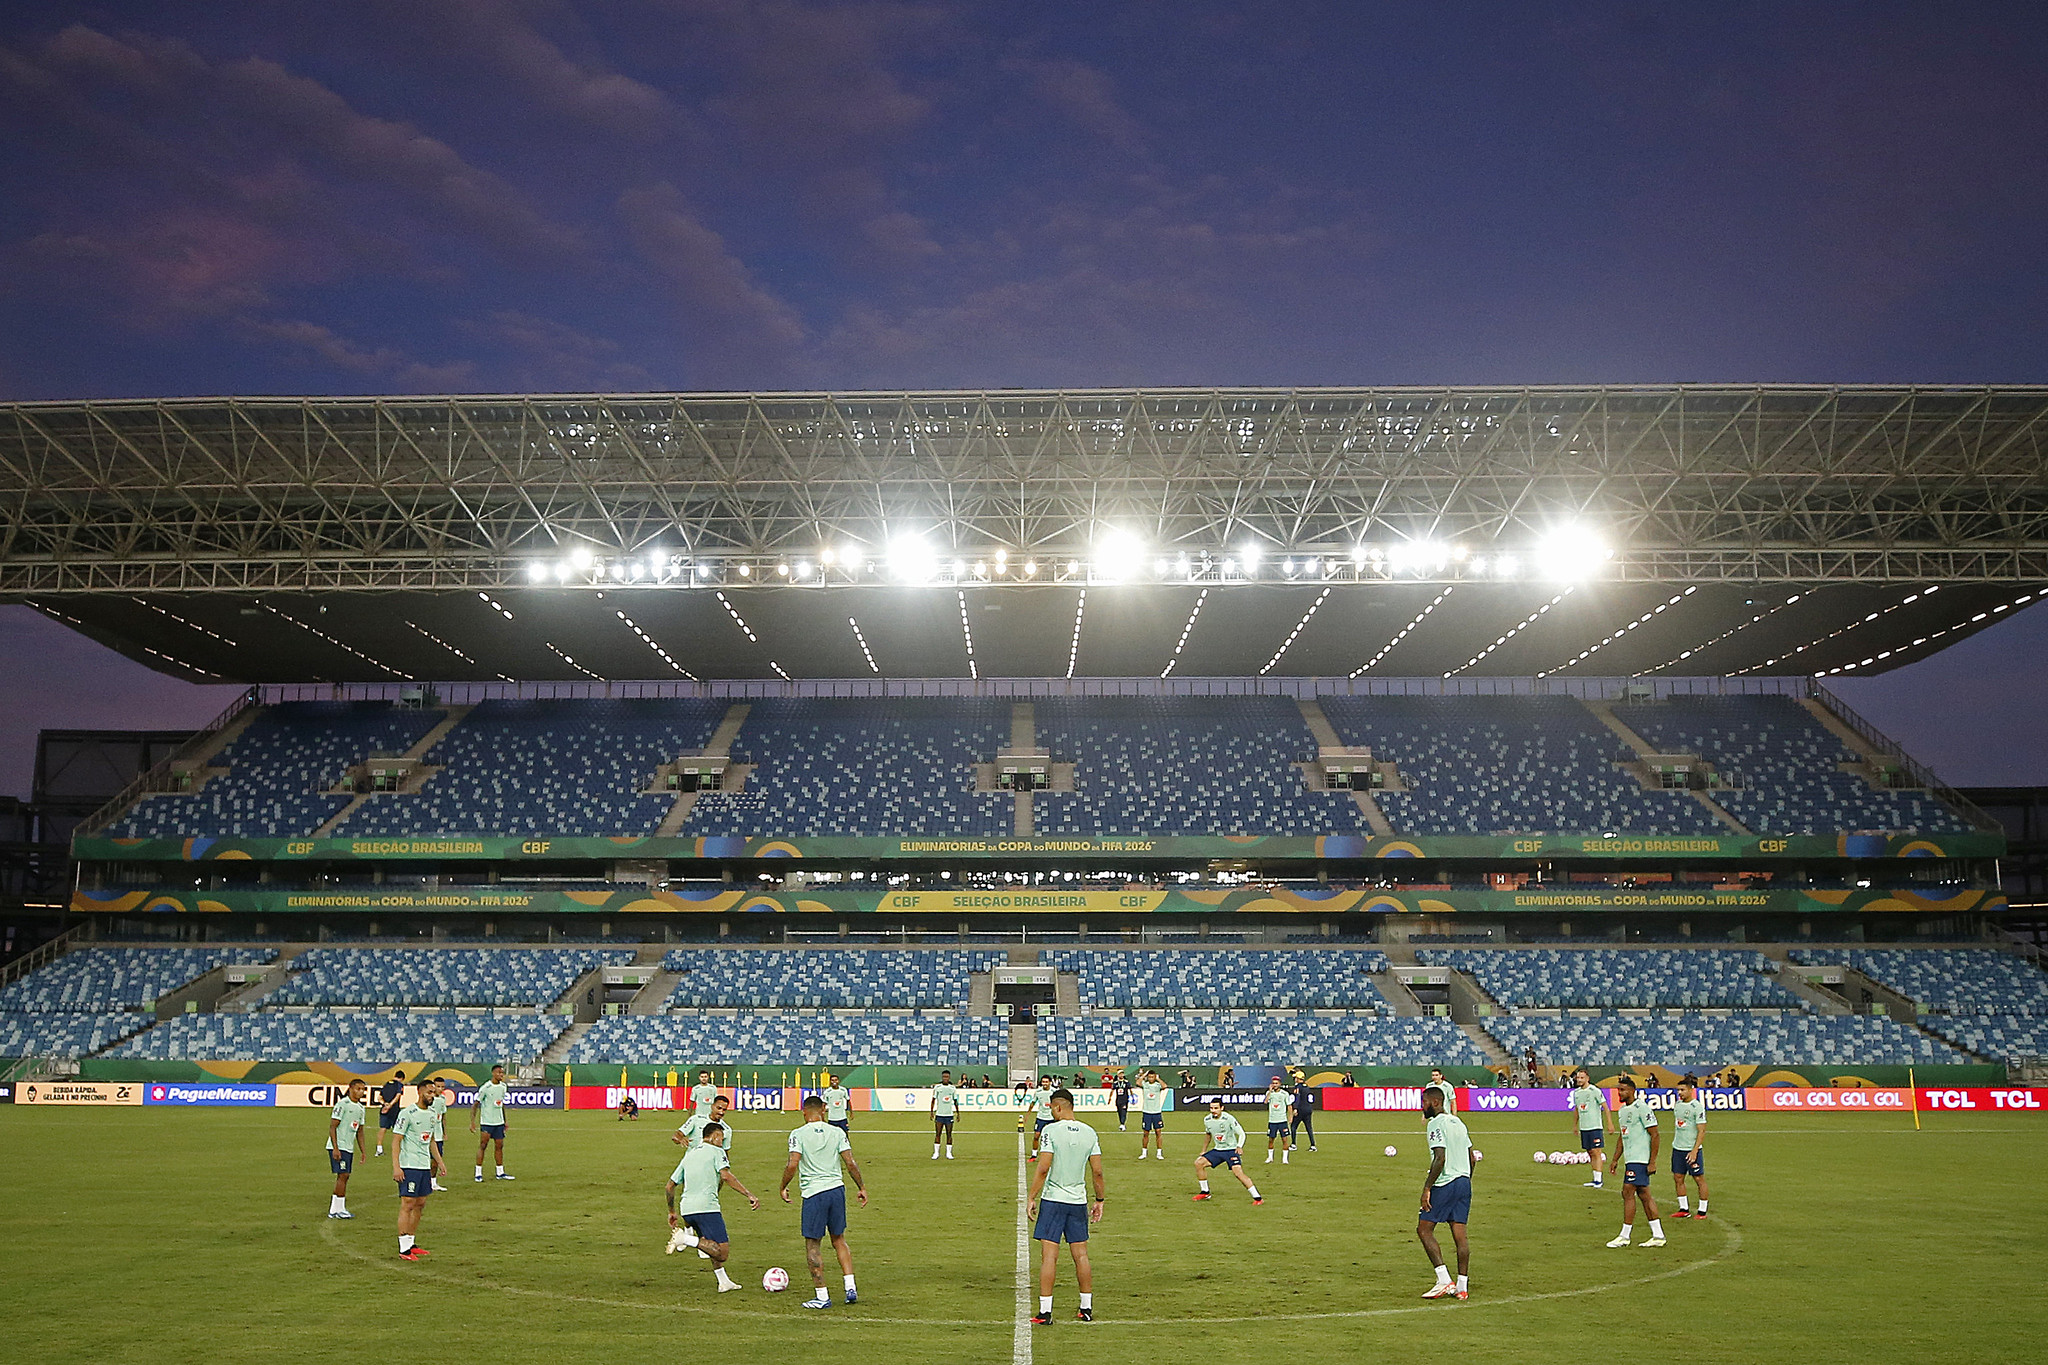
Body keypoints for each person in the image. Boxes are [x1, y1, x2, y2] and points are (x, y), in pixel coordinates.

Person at [780, 1095, 869, 1309]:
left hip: (814, 1194)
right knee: (839, 1239)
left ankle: (821, 1296)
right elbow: (850, 1162)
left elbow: (793, 1165)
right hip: (836, 1190)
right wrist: (861, 1187)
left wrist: (782, 1186)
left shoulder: (798, 1134)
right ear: (824, 1110)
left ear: (804, 1111)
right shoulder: (837, 1132)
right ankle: (850, 1287)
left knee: (813, 1244)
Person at [1026, 1088, 1106, 1325]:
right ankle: (1086, 1308)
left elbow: (1043, 1167)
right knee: (1081, 1255)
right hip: (1078, 1200)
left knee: (1049, 1257)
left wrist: (1031, 1196)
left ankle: (1045, 1312)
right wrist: (1099, 1200)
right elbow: (1098, 1172)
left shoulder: (1050, 1130)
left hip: (1053, 1200)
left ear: (1058, 1107)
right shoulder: (1090, 1132)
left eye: (1051, 1108)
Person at [666, 1121, 760, 1294]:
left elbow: (670, 1186)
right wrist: (749, 1194)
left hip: (687, 1209)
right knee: (722, 1252)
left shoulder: (690, 1154)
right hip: (706, 1208)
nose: (722, 1143)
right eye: (721, 1139)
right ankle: (685, 1239)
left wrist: (672, 1211)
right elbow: (726, 1176)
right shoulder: (717, 1151)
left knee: (709, 1244)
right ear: (715, 1136)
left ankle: (723, 1281)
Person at [1416, 1085, 1472, 1300]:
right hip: (1464, 1182)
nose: (1422, 1107)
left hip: (1446, 1182)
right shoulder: (1458, 1122)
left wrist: (1427, 1188)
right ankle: (1462, 1286)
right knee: (1460, 1235)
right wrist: (1465, 1182)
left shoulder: (1436, 1123)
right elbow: (1472, 1157)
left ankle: (1443, 1280)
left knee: (1424, 1229)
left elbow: (1440, 1157)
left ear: (1436, 1102)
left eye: (1425, 1102)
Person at [1606, 1076, 1666, 1248]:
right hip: (1630, 1158)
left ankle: (1625, 1236)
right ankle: (1658, 1235)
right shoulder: (1623, 1111)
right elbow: (1622, 1135)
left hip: (1640, 1159)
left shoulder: (1642, 1108)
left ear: (1632, 1091)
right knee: (1645, 1195)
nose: (1620, 1092)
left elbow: (1655, 1134)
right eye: (1618, 1089)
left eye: (1623, 1089)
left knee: (1627, 1191)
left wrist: (1652, 1162)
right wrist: (1615, 1159)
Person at [391, 1080, 443, 1260]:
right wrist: (396, 1167)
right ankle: (403, 1249)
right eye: (429, 1092)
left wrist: (440, 1162)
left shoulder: (432, 1114)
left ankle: (411, 1243)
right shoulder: (407, 1113)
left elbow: (432, 1141)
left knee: (420, 1203)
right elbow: (396, 1140)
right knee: (408, 1204)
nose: (432, 1096)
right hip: (409, 1165)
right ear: (420, 1092)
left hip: (423, 1166)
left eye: (434, 1093)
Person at [1191, 1099, 1261, 1204]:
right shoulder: (1207, 1119)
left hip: (1231, 1150)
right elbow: (1208, 1135)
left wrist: (1239, 1146)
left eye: (1216, 1108)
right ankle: (1205, 1192)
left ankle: (1258, 1198)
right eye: (1211, 1108)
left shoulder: (1229, 1118)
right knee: (1198, 1163)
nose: (1213, 1110)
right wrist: (1203, 1150)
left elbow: (1241, 1133)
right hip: (1218, 1150)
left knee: (1238, 1173)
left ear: (1221, 1108)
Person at [326, 1077, 369, 1218]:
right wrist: (335, 1147)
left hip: (348, 1147)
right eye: (358, 1089)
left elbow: (360, 1132)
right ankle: (336, 1209)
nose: (361, 1092)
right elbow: (333, 1127)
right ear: (350, 1089)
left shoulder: (361, 1108)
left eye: (363, 1089)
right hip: (339, 1146)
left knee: (345, 1176)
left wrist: (363, 1150)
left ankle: (337, 1208)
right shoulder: (342, 1104)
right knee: (343, 1175)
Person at [1669, 1074, 1710, 1219]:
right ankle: (1684, 1209)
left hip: (1692, 1150)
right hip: (1678, 1148)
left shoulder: (1697, 1107)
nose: (1679, 1093)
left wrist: (1694, 1150)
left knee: (1699, 1179)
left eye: (1682, 1090)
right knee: (1678, 1177)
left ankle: (1702, 1211)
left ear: (1690, 1090)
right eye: (1678, 1090)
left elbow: (1701, 1130)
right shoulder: (1678, 1105)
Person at [472, 1063, 514, 1182]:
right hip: (487, 1122)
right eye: (499, 1072)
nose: (501, 1075)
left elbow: (502, 1104)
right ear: (493, 1073)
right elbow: (475, 1104)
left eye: (502, 1073)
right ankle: (478, 1173)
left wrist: (505, 1121)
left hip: (499, 1122)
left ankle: (500, 1172)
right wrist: (472, 1122)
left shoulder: (503, 1087)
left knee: (499, 1146)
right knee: (483, 1145)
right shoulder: (486, 1088)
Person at [1569, 1068, 1608, 1188]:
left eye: (1582, 1078)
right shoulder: (1577, 1093)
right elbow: (1577, 1110)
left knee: (1597, 1152)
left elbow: (1605, 1107)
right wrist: (1575, 1125)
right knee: (1590, 1152)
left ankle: (1599, 1180)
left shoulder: (1594, 1091)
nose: (1579, 1080)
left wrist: (1610, 1123)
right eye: (1578, 1077)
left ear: (1587, 1079)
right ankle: (1595, 1179)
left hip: (1595, 1126)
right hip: (1584, 1127)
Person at [427, 1077, 452, 1191]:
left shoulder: (442, 1099)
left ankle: (433, 1182)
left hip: (438, 1135)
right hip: (427, 1135)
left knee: (436, 1160)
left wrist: (445, 1132)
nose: (440, 1089)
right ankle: (424, 1182)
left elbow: (443, 1117)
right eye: (438, 1086)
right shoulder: (428, 1099)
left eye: (442, 1087)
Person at [1137, 1069, 1167, 1159]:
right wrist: (1144, 1075)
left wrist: (1158, 1079)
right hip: (1147, 1112)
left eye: (1152, 1077)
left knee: (1158, 1132)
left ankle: (1159, 1153)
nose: (1151, 1078)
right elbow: (1138, 1082)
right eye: (1149, 1077)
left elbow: (1165, 1086)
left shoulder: (1157, 1085)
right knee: (1146, 1133)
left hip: (1156, 1112)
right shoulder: (1145, 1085)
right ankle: (1144, 1152)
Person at [931, 1069, 959, 1160]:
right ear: (942, 1077)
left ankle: (949, 1153)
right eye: (944, 1077)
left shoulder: (952, 1088)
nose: (945, 1078)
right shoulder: (938, 1088)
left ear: (949, 1077)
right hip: (939, 1114)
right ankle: (936, 1153)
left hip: (949, 1115)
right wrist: (931, 1112)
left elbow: (955, 1101)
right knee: (938, 1134)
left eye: (947, 1077)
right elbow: (933, 1100)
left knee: (949, 1134)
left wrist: (958, 1113)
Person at [375, 1070, 405, 1156]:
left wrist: (384, 1104)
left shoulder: (387, 1084)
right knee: (399, 1129)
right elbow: (398, 1096)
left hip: (384, 1109)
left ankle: (379, 1149)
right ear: (402, 1078)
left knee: (383, 1128)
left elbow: (379, 1097)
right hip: (394, 1110)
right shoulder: (399, 1085)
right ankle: (400, 1148)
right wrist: (390, 1105)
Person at [1263, 1078, 1292, 1164]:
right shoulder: (1269, 1093)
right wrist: (1269, 1092)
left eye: (1276, 1083)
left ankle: (1285, 1159)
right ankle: (1270, 1157)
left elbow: (1289, 1106)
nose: (1275, 1085)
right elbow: (1265, 1101)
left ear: (1280, 1084)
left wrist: (1290, 1117)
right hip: (1272, 1120)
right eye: (1273, 1083)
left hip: (1282, 1120)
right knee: (1271, 1139)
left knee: (1284, 1139)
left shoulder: (1284, 1094)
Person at [1028, 1075, 1056, 1158]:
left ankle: (1055, 1152)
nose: (1044, 1084)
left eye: (1046, 1082)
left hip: (1052, 1117)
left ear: (1050, 1083)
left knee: (1054, 1137)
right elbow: (1033, 1102)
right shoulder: (1038, 1091)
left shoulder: (1054, 1091)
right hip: (1041, 1117)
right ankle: (1034, 1154)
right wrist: (1028, 1113)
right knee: (1036, 1136)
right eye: (1043, 1082)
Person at [1290, 1074, 1316, 1152]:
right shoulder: (1306, 1086)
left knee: (1293, 1126)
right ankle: (1313, 1145)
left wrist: (1295, 1108)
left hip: (1301, 1109)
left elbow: (1297, 1097)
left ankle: (1293, 1144)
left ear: (1298, 1078)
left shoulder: (1298, 1087)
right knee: (1309, 1128)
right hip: (1308, 1109)